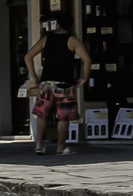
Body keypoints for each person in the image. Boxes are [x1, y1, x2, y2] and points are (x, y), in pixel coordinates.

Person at [25, 21, 93, 155]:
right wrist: (84, 78)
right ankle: (61, 147)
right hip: (64, 84)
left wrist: (34, 77)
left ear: (57, 26)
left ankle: (39, 145)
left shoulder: (46, 39)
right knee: (64, 117)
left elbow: (28, 56)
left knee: (42, 115)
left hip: (46, 83)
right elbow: (87, 60)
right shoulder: (73, 41)